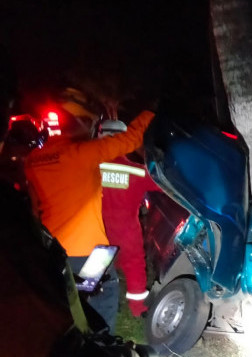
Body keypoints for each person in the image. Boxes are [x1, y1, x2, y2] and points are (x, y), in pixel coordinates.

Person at [0, 67, 141, 357]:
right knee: (96, 309)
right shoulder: (91, 156)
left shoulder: (36, 161)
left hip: (59, 251)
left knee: (81, 309)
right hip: (88, 253)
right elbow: (127, 193)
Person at [23, 89, 155, 333]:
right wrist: (151, 110)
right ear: (81, 123)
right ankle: (102, 351)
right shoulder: (83, 154)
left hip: (52, 247)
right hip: (89, 250)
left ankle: (73, 340)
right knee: (105, 293)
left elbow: (33, 206)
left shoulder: (33, 159)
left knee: (66, 300)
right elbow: (132, 140)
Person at [98, 119, 163, 317]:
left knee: (96, 266)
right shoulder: (136, 171)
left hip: (97, 228)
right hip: (127, 231)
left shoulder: (89, 168)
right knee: (134, 264)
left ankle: (93, 303)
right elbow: (162, 183)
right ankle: (137, 308)